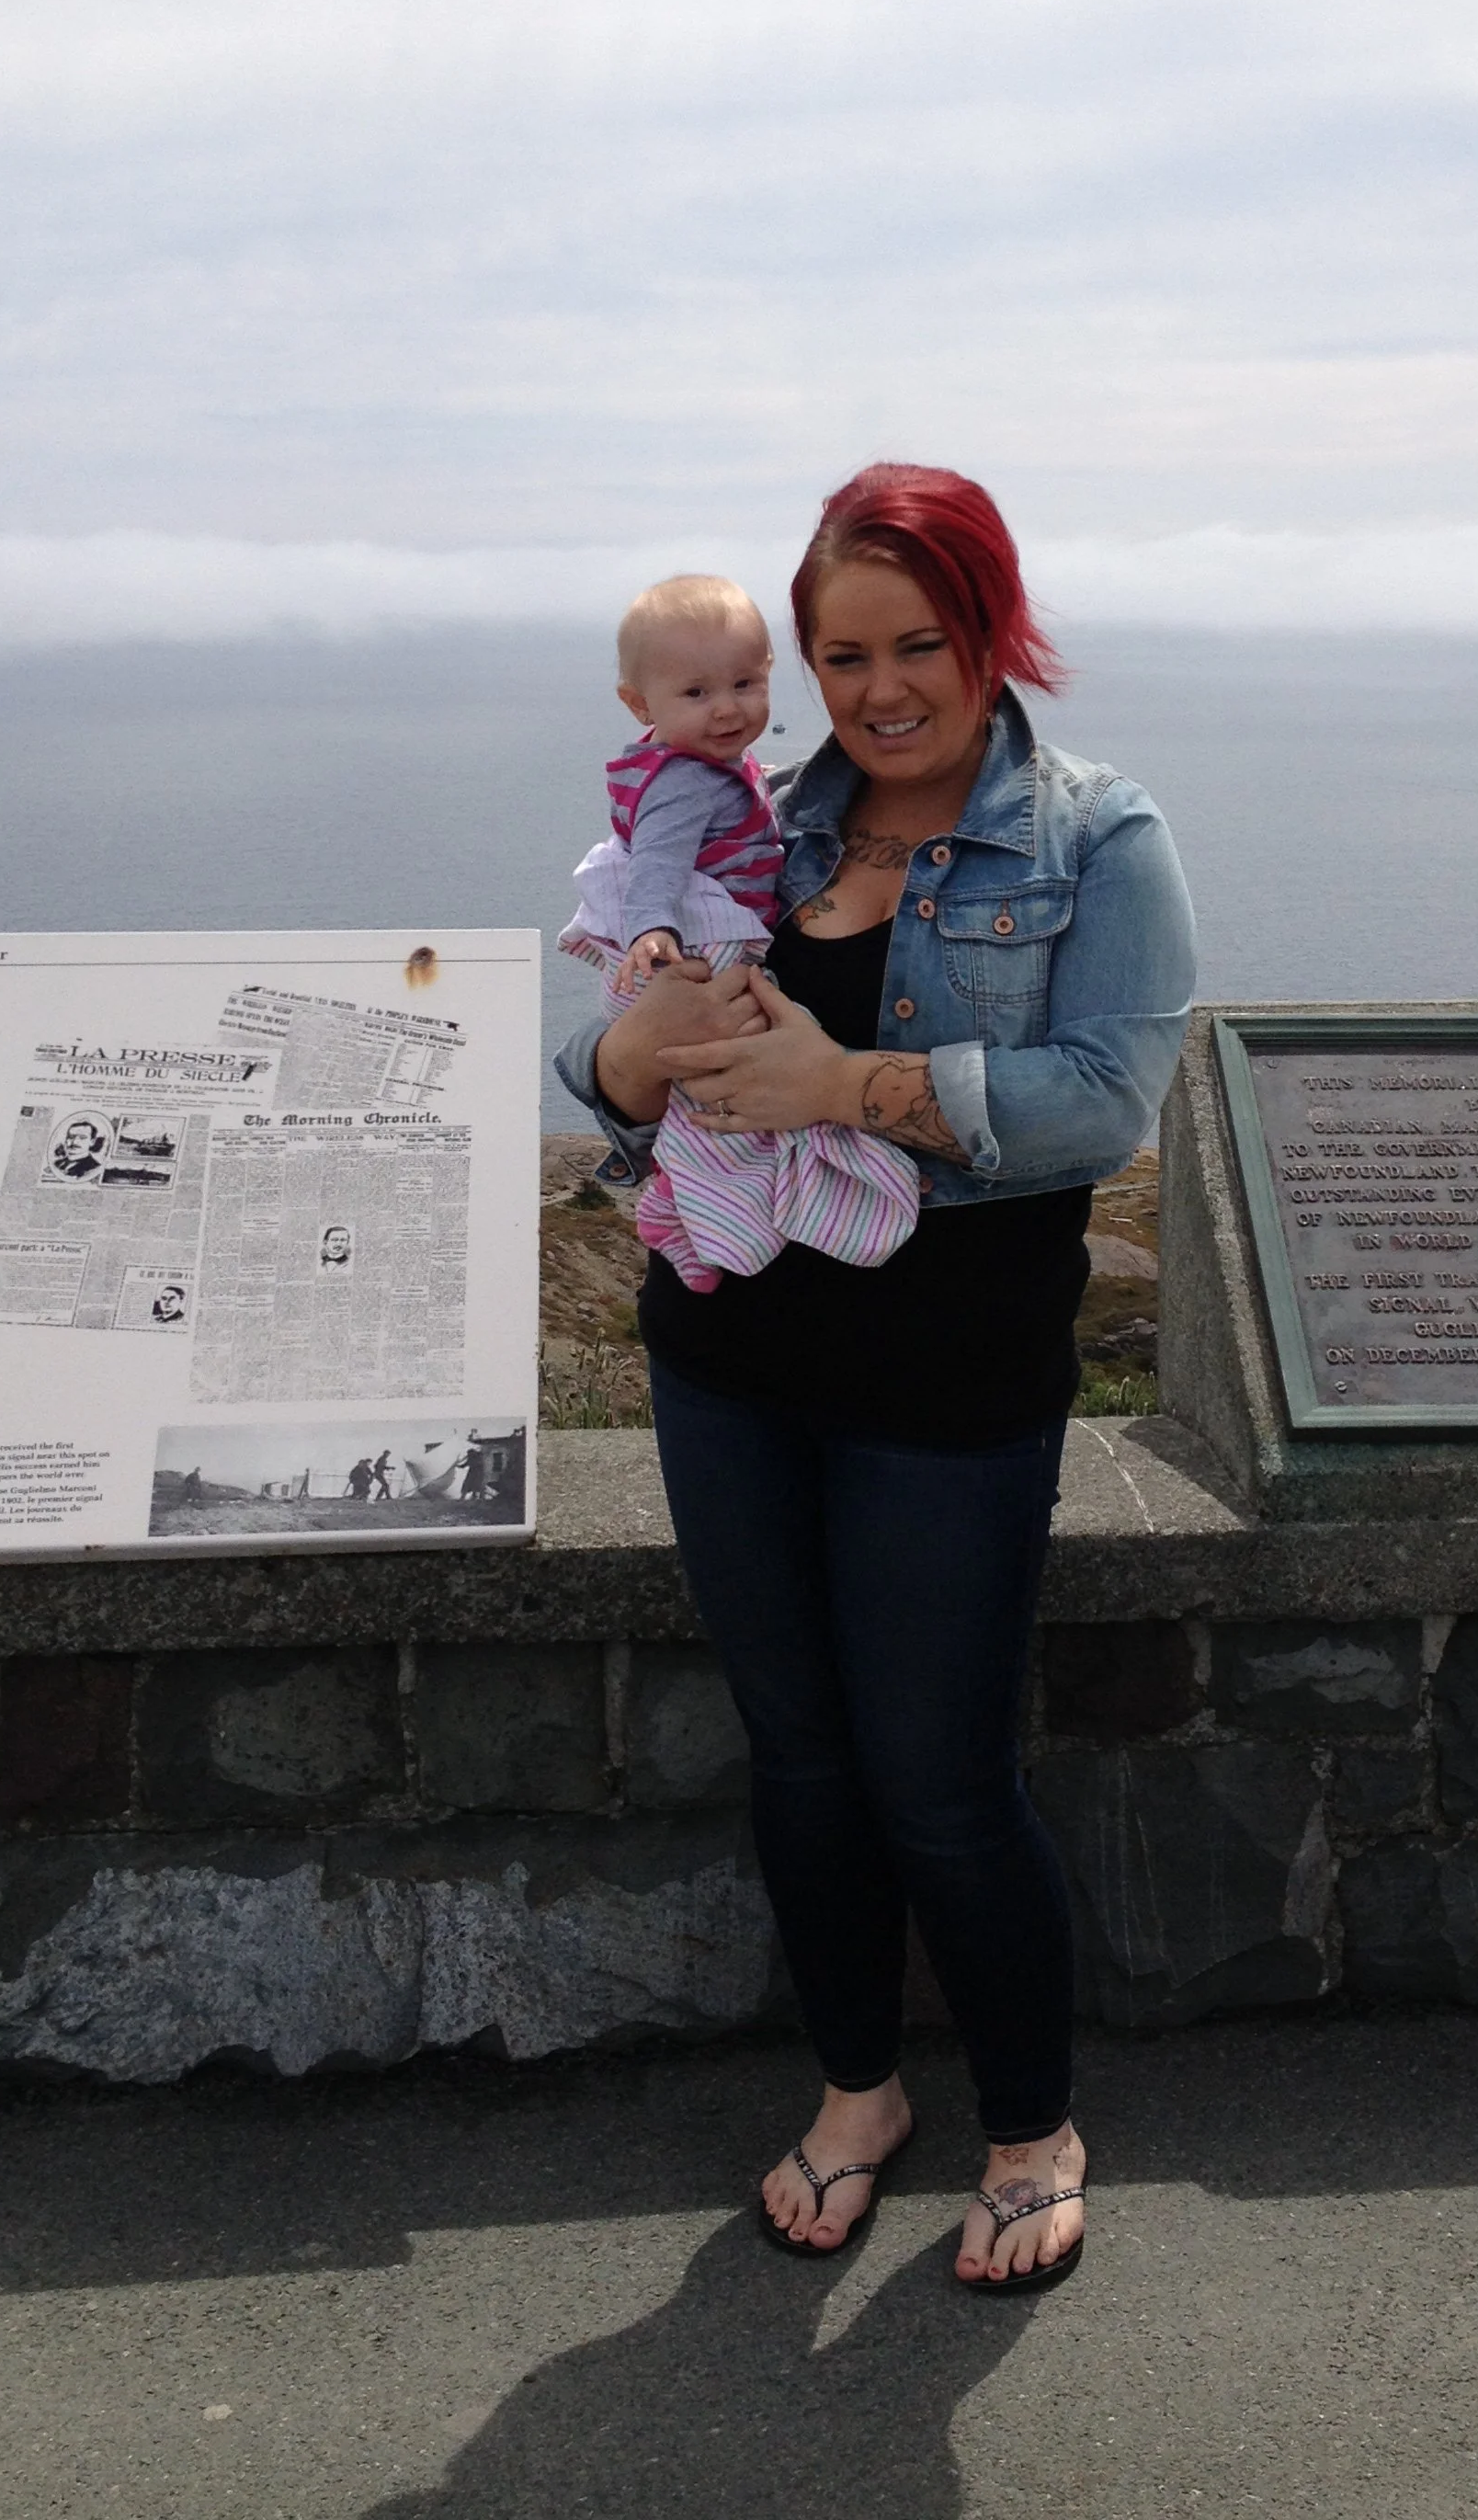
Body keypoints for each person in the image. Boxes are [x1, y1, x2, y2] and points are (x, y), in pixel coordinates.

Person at [555, 463, 1195, 2293]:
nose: (882, 687)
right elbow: (602, 1068)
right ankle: (857, 2093)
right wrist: (620, 1055)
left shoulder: (1096, 838)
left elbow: (1107, 1098)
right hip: (729, 1365)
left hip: (951, 1389)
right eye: (842, 653)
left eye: (921, 641)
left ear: (992, 627)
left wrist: (858, 1091)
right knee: (805, 1765)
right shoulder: (753, 810)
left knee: (940, 1782)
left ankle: (1029, 2125)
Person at [559, 575, 921, 1294]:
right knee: (736, 1099)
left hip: (698, 934)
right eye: (696, 694)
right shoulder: (687, 781)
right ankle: (697, 1213)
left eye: (746, 683)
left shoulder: (706, 766)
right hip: (700, 943)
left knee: (717, 1106)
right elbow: (658, 864)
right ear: (639, 703)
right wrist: (655, 930)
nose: (727, 709)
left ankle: (692, 1211)